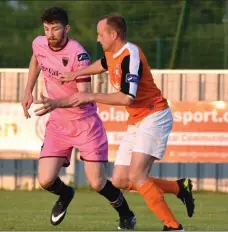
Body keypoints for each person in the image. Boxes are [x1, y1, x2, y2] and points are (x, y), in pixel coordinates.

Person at [37, 13, 195, 231]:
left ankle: (173, 227)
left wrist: (90, 96)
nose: (98, 39)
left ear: (114, 34)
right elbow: (103, 64)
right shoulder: (111, 52)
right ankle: (179, 188)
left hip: (154, 115)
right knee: (120, 180)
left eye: (101, 34)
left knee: (137, 176)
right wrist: (76, 74)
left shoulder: (131, 55)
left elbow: (126, 97)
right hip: (137, 119)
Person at [21, 7, 136, 230]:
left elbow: (83, 96)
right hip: (58, 124)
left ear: (66, 28)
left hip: (85, 124)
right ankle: (65, 194)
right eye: (46, 29)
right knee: (45, 180)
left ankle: (126, 214)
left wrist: (55, 103)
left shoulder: (78, 54)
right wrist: (28, 90)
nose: (50, 34)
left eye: (55, 29)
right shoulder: (39, 43)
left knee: (97, 183)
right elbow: (36, 58)